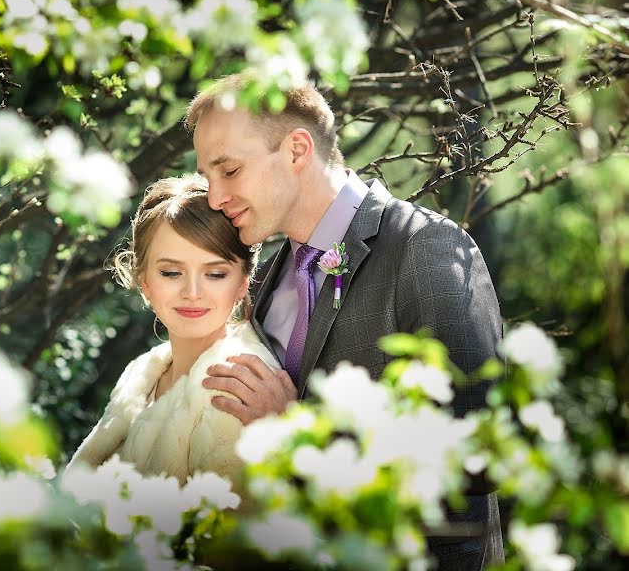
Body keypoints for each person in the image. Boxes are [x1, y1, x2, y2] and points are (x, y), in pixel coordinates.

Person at [186, 73, 504, 570]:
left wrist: (295, 432)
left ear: (296, 150)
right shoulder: (268, 280)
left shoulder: (426, 248)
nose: (214, 197)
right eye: (208, 177)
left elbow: (468, 468)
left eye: (228, 170)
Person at [65, 174, 285, 498]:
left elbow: (228, 539)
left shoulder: (238, 388)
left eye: (215, 274)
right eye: (171, 272)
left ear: (242, 283)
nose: (192, 292)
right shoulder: (141, 373)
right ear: (145, 282)